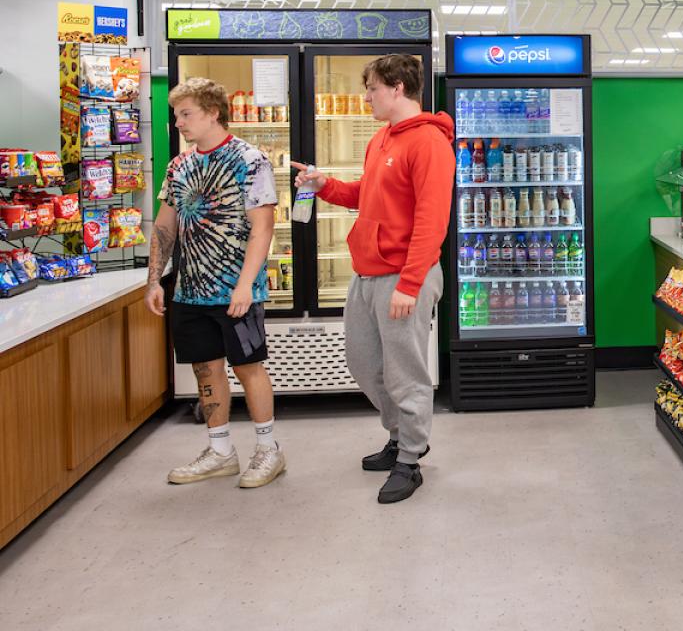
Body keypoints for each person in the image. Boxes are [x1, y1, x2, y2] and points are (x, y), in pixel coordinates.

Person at [293, 54, 454, 504]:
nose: (366, 98)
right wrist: (324, 184)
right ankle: (399, 435)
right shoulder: (382, 138)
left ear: (398, 88)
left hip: (404, 275)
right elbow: (366, 195)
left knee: (406, 372)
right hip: (367, 273)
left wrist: (410, 282)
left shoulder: (429, 142)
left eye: (373, 89)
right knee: (366, 364)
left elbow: (431, 220)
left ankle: (410, 458)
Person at [146, 77, 286, 489]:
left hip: (236, 289)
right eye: (177, 115)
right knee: (205, 369)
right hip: (189, 290)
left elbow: (263, 228)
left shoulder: (250, 160)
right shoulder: (179, 166)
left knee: (248, 367)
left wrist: (245, 285)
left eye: (186, 114)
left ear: (212, 112)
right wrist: (154, 279)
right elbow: (164, 226)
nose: (179, 123)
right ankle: (221, 450)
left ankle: (268, 450)